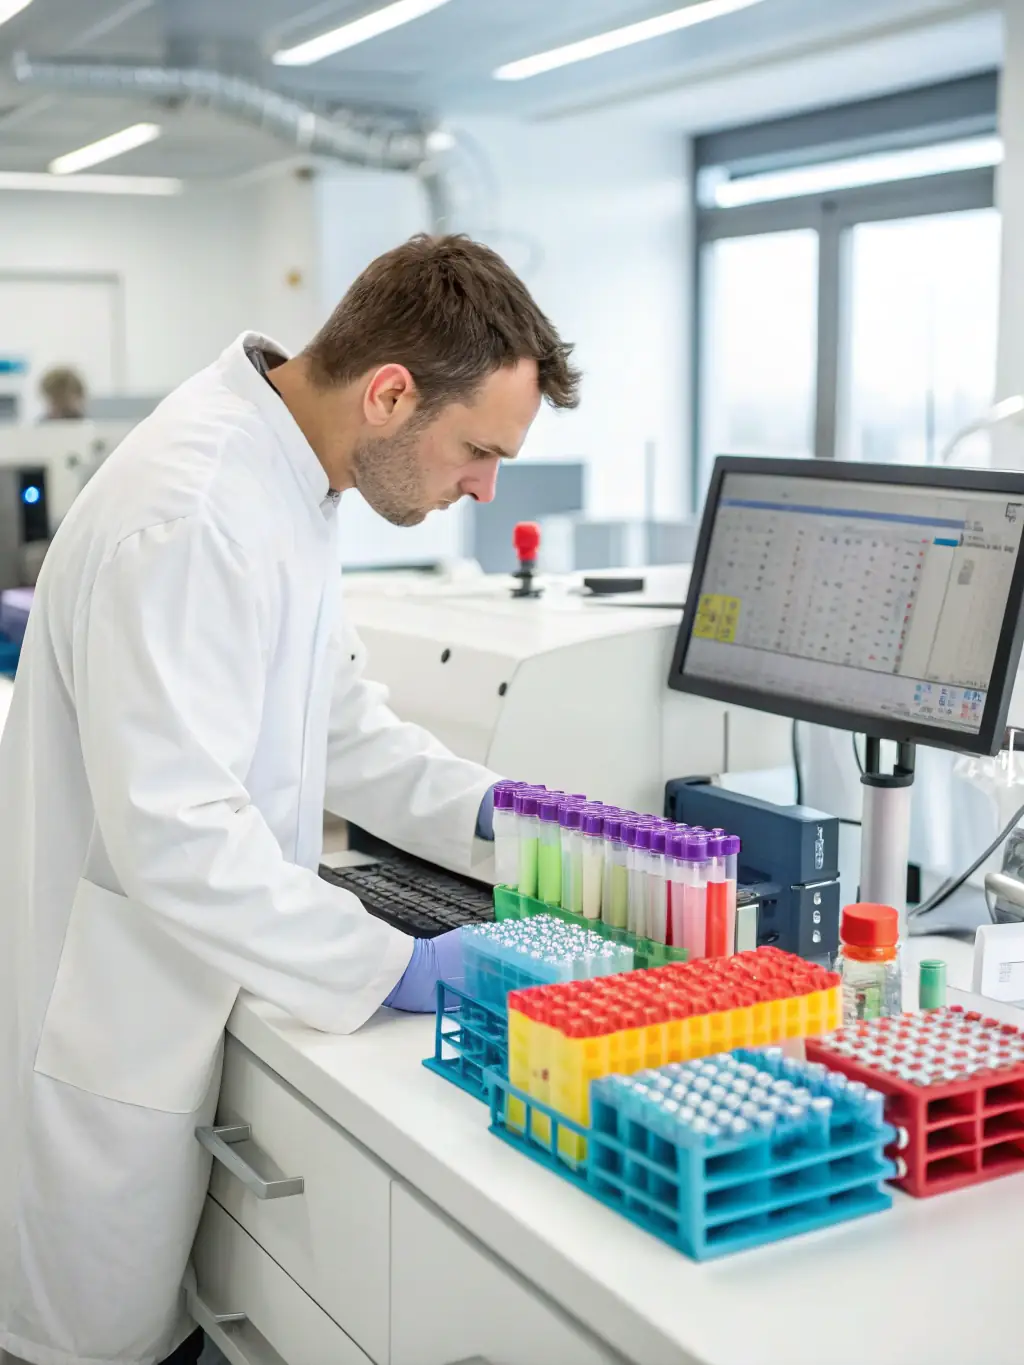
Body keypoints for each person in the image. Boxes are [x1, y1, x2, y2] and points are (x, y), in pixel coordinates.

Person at [0, 234, 580, 1365]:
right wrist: (392, 965)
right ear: (391, 392)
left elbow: (333, 718)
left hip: (167, 1003)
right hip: (100, 1032)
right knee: (80, 1347)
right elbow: (177, 837)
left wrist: (491, 812)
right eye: (476, 450)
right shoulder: (199, 509)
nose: (483, 487)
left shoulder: (291, 477)